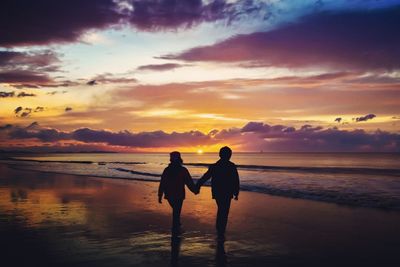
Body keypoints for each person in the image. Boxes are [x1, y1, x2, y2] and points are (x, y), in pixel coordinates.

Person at [196, 146, 240, 239]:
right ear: (229, 155)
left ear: (220, 155)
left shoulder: (215, 166)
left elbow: (205, 177)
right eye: (229, 154)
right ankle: (221, 230)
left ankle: (220, 229)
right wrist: (236, 192)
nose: (230, 155)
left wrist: (198, 185)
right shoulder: (231, 166)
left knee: (221, 209)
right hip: (227, 192)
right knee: (224, 210)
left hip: (218, 191)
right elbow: (236, 180)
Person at [158, 151, 198, 234]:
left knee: (176, 210)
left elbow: (163, 183)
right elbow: (189, 182)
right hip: (178, 194)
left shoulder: (168, 170)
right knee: (177, 210)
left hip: (170, 194)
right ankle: (176, 228)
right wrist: (195, 190)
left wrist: (160, 195)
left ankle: (176, 226)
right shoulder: (182, 170)